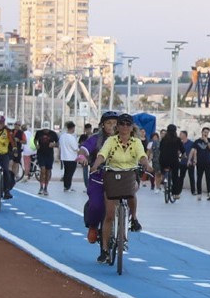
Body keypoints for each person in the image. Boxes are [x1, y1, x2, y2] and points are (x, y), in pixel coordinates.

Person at [88, 113, 153, 262]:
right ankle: (105, 249)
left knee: (132, 190)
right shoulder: (111, 140)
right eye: (122, 124)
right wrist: (95, 165)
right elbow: (102, 154)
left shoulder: (136, 142)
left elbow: (142, 156)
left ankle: (133, 218)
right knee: (109, 215)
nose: (124, 127)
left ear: (132, 127)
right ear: (117, 127)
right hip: (112, 175)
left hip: (129, 174)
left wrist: (147, 165)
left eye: (128, 124)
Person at [77, 112, 119, 244]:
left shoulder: (125, 138)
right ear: (102, 125)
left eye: (115, 123)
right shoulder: (96, 138)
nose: (112, 126)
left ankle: (127, 221)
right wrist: (82, 156)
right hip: (98, 177)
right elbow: (84, 148)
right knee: (96, 205)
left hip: (119, 178)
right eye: (108, 123)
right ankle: (93, 226)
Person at [158, 124, 187, 202]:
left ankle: (164, 177)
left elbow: (160, 149)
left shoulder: (164, 139)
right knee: (175, 176)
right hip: (173, 160)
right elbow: (182, 150)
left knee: (163, 168)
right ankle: (175, 193)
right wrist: (184, 156)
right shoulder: (177, 140)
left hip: (163, 160)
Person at [33, 122, 59, 195]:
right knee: (42, 170)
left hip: (49, 154)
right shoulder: (39, 133)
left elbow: (58, 143)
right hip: (41, 154)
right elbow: (35, 140)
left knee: (48, 171)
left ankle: (46, 188)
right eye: (44, 129)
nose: (46, 131)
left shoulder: (53, 134)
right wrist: (36, 145)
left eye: (47, 129)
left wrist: (53, 144)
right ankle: (41, 187)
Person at [193, 126, 210, 201]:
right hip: (199, 162)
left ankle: (209, 192)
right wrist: (194, 160)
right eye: (205, 132)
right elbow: (195, 151)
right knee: (199, 178)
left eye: (207, 132)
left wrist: (207, 142)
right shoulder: (197, 141)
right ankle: (199, 193)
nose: (206, 134)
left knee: (208, 177)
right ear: (202, 132)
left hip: (208, 162)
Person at [58, 121, 80, 192]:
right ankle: (68, 187)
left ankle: (66, 186)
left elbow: (60, 146)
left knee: (66, 172)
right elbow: (75, 148)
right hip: (72, 158)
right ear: (72, 128)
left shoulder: (62, 136)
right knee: (70, 173)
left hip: (64, 157)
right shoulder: (71, 137)